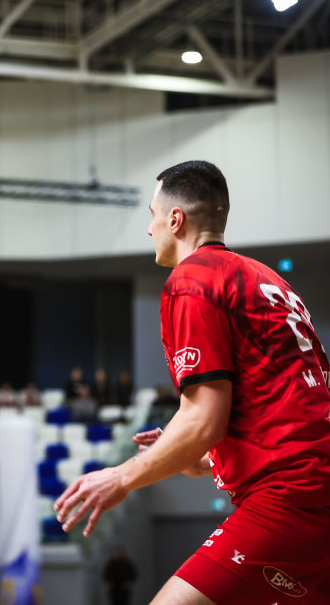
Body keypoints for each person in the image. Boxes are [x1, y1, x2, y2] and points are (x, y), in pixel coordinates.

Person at [55, 161, 330, 604]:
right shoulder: (271, 281)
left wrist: (120, 477)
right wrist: (203, 458)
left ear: (175, 220)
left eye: (152, 215)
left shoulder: (192, 280)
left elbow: (204, 420)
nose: (149, 229)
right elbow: (281, 406)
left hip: (288, 499)